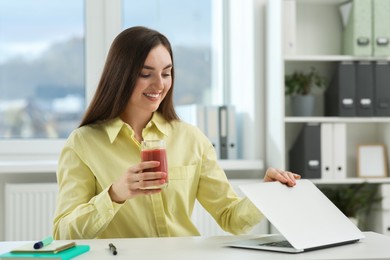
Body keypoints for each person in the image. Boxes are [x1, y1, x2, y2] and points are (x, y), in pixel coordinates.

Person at [53, 26, 300, 239]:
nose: (159, 85)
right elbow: (63, 233)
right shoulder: (83, 143)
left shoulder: (190, 139)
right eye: (145, 74)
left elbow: (231, 218)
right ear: (120, 75)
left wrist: (266, 193)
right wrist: (114, 195)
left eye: (166, 73)